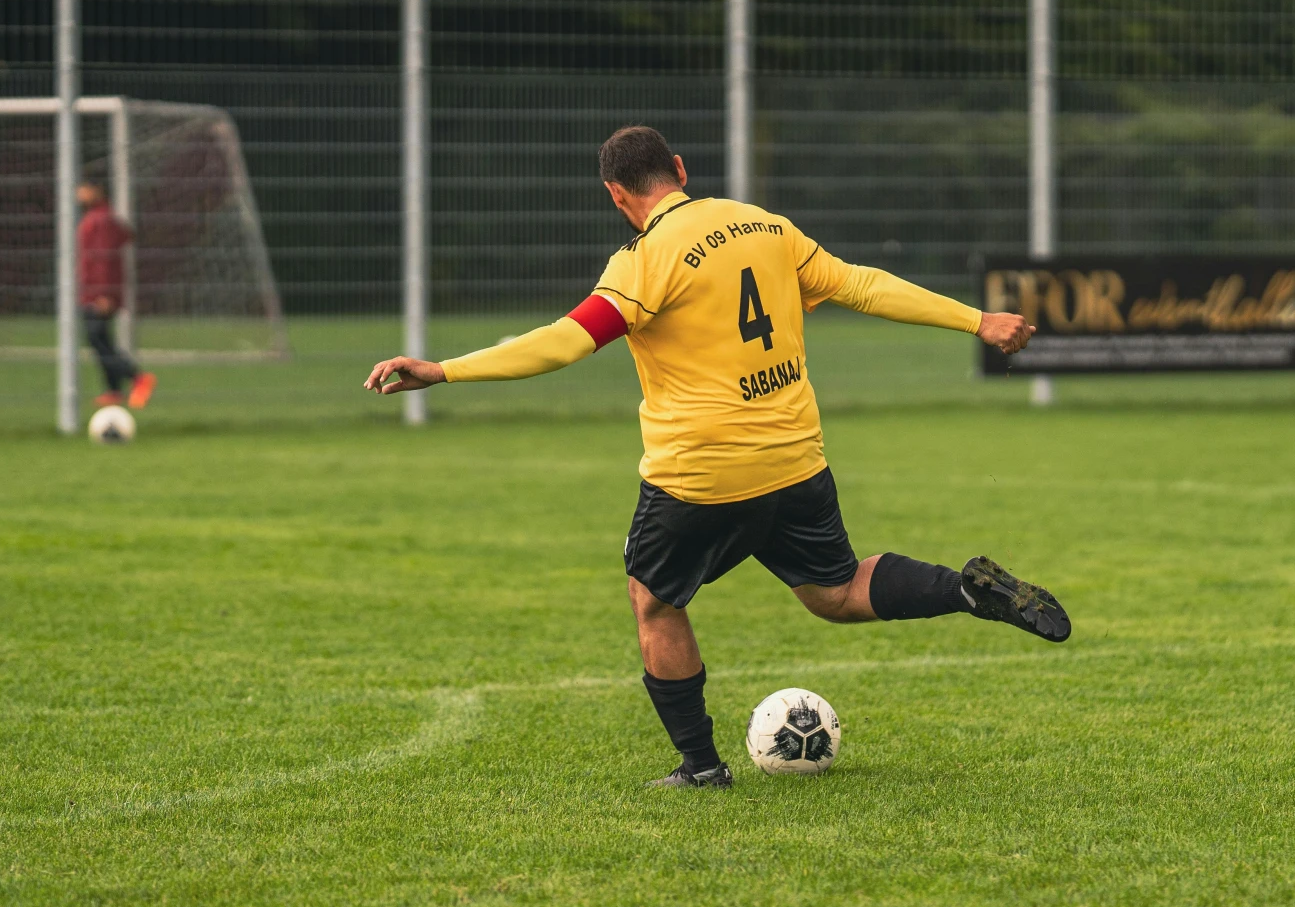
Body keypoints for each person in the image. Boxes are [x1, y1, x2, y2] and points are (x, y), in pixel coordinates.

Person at [366, 125, 1069, 789]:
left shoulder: (643, 261)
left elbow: (567, 340)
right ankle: (967, 590)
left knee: (655, 601)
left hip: (698, 478)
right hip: (794, 459)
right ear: (679, 171)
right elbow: (863, 283)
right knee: (837, 592)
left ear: (617, 196)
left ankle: (700, 767)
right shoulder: (766, 225)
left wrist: (445, 370)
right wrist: (978, 319)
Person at [77, 179, 155, 410]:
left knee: (98, 338)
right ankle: (113, 390)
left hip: (97, 293)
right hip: (93, 291)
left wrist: (103, 294)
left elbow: (104, 260)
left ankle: (137, 378)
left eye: (82, 188)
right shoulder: (103, 217)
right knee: (101, 339)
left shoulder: (100, 219)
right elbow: (126, 235)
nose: (78, 193)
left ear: (96, 189)